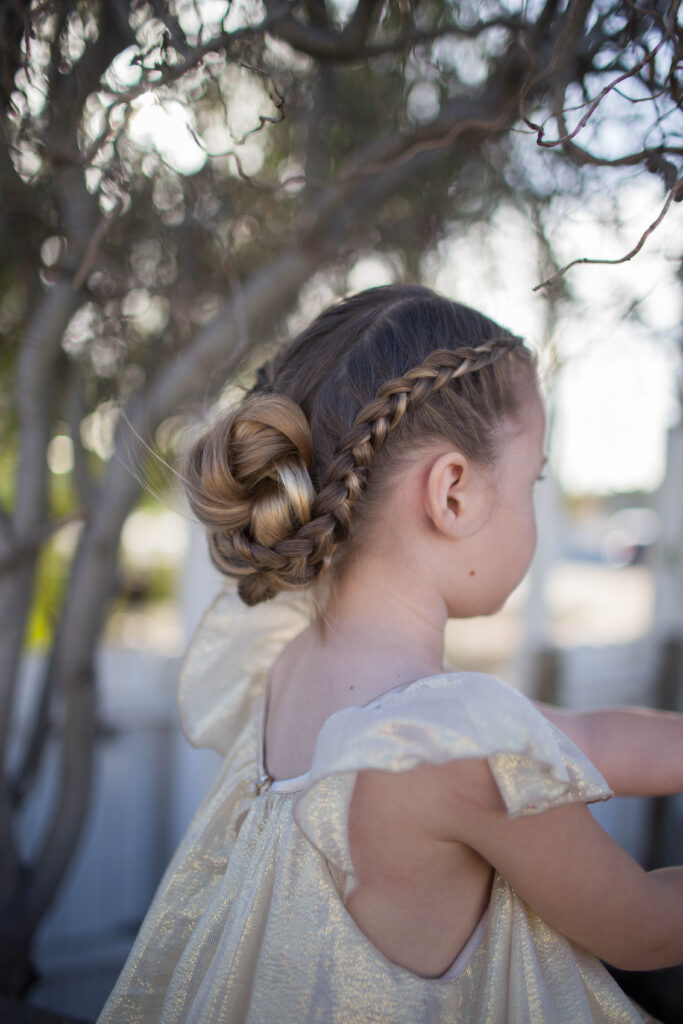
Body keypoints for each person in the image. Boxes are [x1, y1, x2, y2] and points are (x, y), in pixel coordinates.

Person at [97, 284, 682, 1023]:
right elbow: (644, 928)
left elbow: (587, 740)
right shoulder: (452, 747)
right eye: (532, 479)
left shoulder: (294, 668)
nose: (537, 499)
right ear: (455, 494)